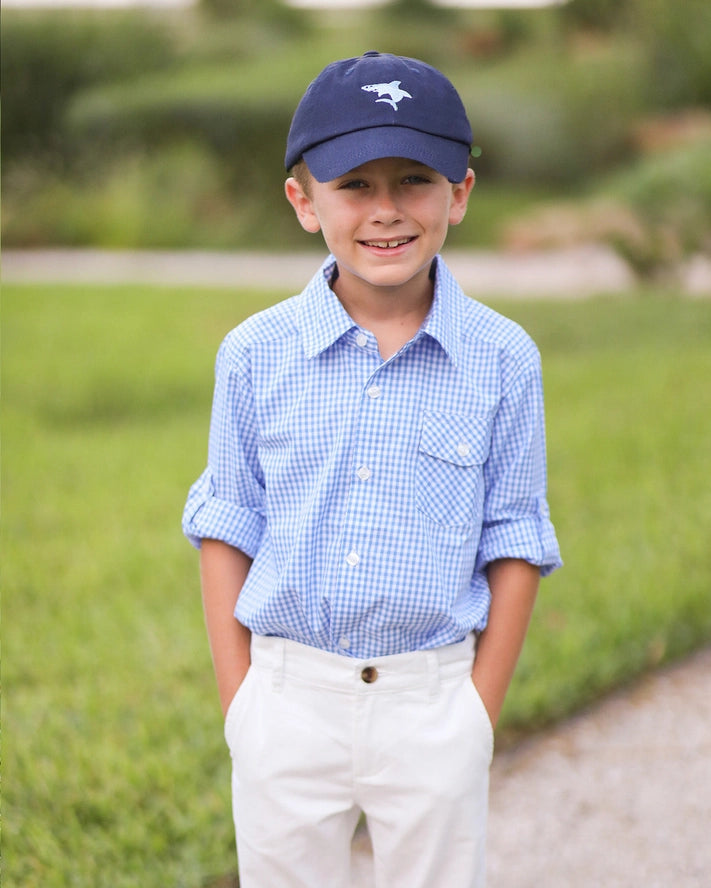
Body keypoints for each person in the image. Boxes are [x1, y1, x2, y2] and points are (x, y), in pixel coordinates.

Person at [182, 50, 562, 888]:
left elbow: (515, 536)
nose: (385, 211)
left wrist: (476, 713)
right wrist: (242, 707)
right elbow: (226, 522)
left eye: (413, 180)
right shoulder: (254, 355)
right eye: (354, 185)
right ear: (303, 200)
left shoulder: (502, 359)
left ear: (459, 191)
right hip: (286, 700)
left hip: (432, 703)